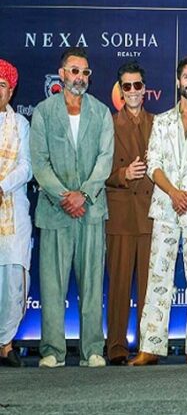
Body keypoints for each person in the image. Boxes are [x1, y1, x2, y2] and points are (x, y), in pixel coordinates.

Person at [129, 56, 187, 366]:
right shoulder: (162, 122)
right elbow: (153, 164)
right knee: (159, 278)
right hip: (166, 208)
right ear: (178, 81)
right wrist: (174, 193)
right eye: (186, 77)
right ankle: (150, 347)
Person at [30, 47, 114, 368]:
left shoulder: (101, 112)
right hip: (55, 211)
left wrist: (85, 195)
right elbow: (40, 162)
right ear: (62, 73)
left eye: (85, 72)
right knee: (52, 285)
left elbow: (105, 160)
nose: (80, 77)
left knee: (92, 284)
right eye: (74, 71)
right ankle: (53, 350)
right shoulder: (43, 112)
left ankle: (92, 349)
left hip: (91, 211)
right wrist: (65, 196)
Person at [104, 61, 154, 366]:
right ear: (120, 91)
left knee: (149, 287)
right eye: (127, 86)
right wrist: (123, 173)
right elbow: (98, 170)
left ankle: (148, 346)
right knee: (119, 286)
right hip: (121, 213)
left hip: (150, 214)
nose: (133, 91)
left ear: (144, 89)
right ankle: (116, 347)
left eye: (137, 85)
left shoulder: (158, 123)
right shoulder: (108, 124)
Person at [0, 59, 32, 368]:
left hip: (13, 208)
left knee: (13, 281)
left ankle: (6, 344)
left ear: (11, 91)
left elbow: (26, 166)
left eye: (2, 85)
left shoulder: (20, 124)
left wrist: (1, 186)